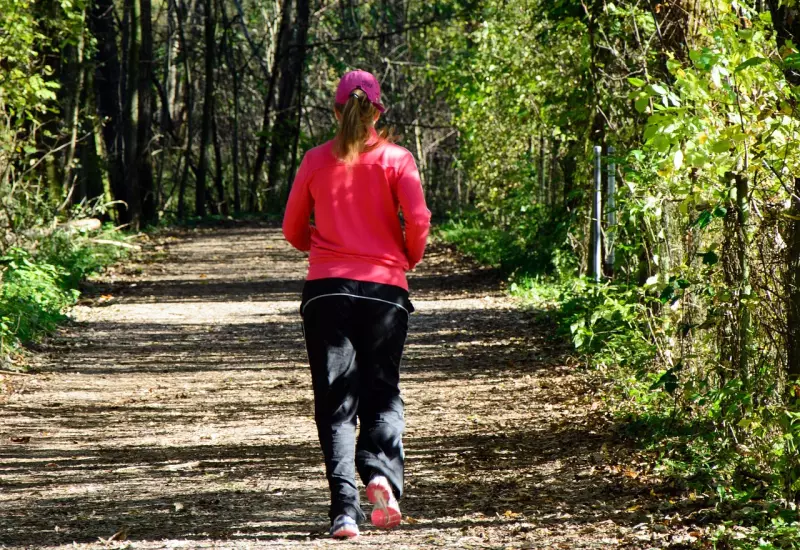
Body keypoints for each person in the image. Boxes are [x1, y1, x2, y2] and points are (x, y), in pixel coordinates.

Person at [282, 69, 431, 539]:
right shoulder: (397, 159)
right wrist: (406, 257)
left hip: (327, 292)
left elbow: (292, 229)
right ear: (377, 112)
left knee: (336, 403)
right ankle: (381, 475)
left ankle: (345, 511)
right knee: (381, 390)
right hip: (385, 291)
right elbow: (419, 219)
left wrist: (323, 248)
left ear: (336, 110)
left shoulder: (314, 160)